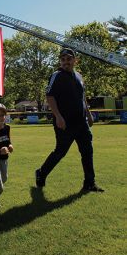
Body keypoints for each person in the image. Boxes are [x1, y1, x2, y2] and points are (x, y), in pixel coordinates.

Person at [35, 48, 104, 192]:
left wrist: (89, 113)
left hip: (81, 122)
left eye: (68, 59)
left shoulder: (79, 76)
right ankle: (41, 173)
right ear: (60, 61)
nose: (66, 62)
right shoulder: (57, 75)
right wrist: (58, 117)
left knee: (87, 151)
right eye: (63, 59)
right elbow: (50, 96)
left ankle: (89, 183)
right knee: (60, 152)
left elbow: (82, 96)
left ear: (75, 60)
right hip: (65, 123)